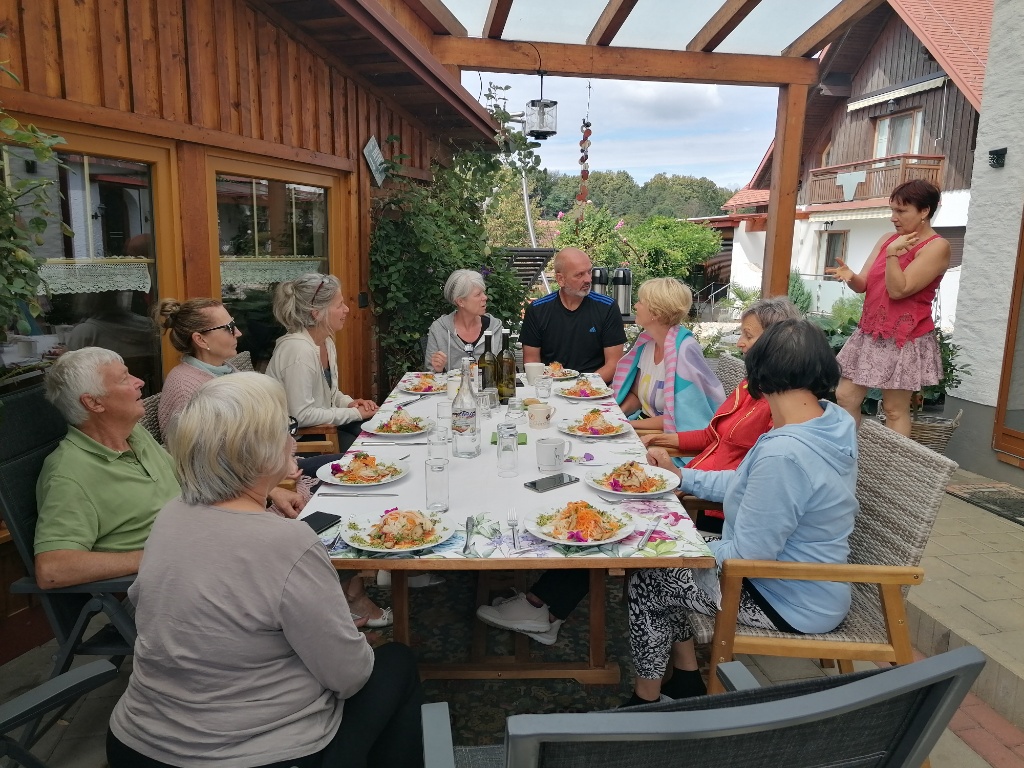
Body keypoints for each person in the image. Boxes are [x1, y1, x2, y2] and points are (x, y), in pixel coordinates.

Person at [106, 374, 424, 768]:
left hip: (136, 744)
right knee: (397, 662)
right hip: (255, 755)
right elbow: (350, 676)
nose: (294, 440)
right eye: (286, 428)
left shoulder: (171, 515)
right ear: (256, 451)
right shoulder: (286, 542)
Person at [627, 319, 857, 706]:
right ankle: (684, 681)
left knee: (649, 576)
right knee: (657, 554)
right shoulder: (828, 421)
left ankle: (645, 702)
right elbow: (746, 484)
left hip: (786, 596)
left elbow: (749, 557)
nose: (739, 343)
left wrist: (677, 548)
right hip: (804, 581)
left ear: (760, 375)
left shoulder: (784, 454)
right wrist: (681, 476)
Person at [155, 298, 389, 626]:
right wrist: (275, 488)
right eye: (227, 327)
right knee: (334, 501)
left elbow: (259, 438)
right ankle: (340, 599)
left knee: (353, 468)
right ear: (201, 339)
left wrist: (284, 470)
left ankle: (348, 588)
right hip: (236, 497)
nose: (238, 332)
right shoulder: (187, 389)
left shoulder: (226, 371)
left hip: (270, 472)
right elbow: (201, 469)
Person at [33, 348, 304, 590]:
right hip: (162, 588)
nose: (139, 382)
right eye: (125, 378)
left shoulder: (135, 436)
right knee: (293, 574)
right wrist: (160, 555)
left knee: (301, 555)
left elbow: (196, 478)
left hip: (206, 556)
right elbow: (52, 570)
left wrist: (272, 491)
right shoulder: (68, 473)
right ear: (93, 403)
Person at [641, 297, 802, 534]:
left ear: (775, 342)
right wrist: (656, 440)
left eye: (748, 335)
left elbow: (759, 485)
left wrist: (687, 483)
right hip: (693, 485)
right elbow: (712, 436)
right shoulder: (750, 386)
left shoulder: (781, 407)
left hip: (713, 509)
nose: (740, 343)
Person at [826, 179, 951, 437]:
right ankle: (848, 454)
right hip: (871, 332)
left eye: (901, 211)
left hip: (904, 338)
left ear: (924, 211)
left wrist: (893, 254)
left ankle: (893, 470)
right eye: (892, 210)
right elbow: (863, 284)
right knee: (846, 396)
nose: (893, 217)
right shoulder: (888, 239)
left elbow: (899, 290)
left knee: (894, 410)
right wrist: (849, 276)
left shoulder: (937, 247)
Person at [266, 274, 379, 453]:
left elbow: (328, 395)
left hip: (321, 428)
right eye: (339, 305)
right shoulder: (298, 351)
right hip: (297, 442)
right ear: (316, 313)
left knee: (379, 433)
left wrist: (349, 403)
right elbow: (301, 415)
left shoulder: (326, 341)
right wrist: (355, 414)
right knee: (368, 450)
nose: (347, 309)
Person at [612, 277, 724, 433]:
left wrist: (625, 424)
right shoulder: (648, 345)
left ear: (655, 313)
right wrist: (615, 415)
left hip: (669, 440)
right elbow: (637, 397)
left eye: (640, 302)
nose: (635, 305)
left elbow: (685, 418)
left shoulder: (685, 351)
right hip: (643, 428)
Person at [520, 248, 626, 383]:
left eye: (589, 272)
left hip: (593, 389)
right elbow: (531, 362)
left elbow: (614, 364)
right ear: (560, 279)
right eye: (579, 275)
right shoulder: (537, 310)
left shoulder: (607, 307)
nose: (588, 279)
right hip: (550, 386)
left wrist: (580, 387)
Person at [424, 269, 504, 372]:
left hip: (488, 387)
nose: (485, 297)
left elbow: (505, 370)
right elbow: (429, 376)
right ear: (460, 301)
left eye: (483, 292)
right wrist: (438, 370)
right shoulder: (439, 329)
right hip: (452, 387)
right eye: (478, 294)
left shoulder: (495, 328)